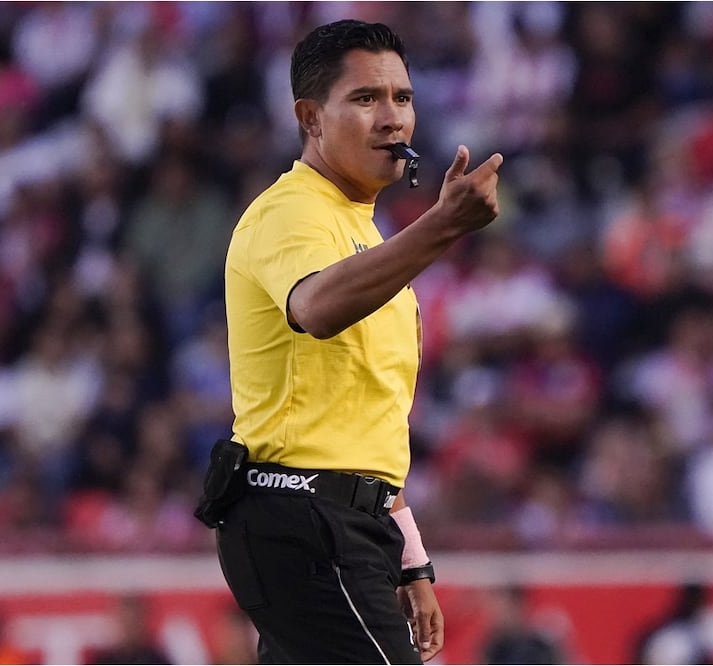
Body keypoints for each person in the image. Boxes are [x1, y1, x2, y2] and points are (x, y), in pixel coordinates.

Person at [210, 18, 502, 665]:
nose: (392, 118)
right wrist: (441, 227)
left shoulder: (365, 237)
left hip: (340, 526)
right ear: (310, 118)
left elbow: (365, 420)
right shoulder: (291, 212)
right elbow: (314, 306)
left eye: (402, 97)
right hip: (302, 520)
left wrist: (411, 558)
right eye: (365, 99)